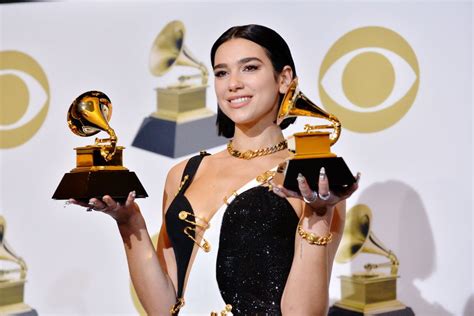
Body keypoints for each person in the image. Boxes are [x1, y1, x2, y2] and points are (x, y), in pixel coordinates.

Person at [74, 24, 359, 315]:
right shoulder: (183, 173)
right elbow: (163, 308)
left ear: (284, 78)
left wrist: (319, 216)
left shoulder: (308, 177)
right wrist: (128, 222)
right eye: (222, 72)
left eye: (249, 68)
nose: (232, 83)